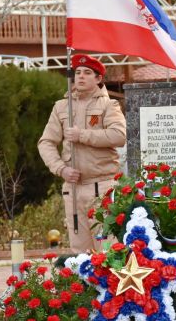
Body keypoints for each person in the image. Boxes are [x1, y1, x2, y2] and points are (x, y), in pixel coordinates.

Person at [38, 54, 126, 252]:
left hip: (102, 186)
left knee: (106, 249)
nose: (81, 77)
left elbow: (119, 135)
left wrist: (82, 135)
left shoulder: (108, 105)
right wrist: (61, 169)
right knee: (80, 251)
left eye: (87, 73)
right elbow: (46, 143)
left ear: (98, 79)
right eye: (77, 73)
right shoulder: (61, 106)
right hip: (73, 187)